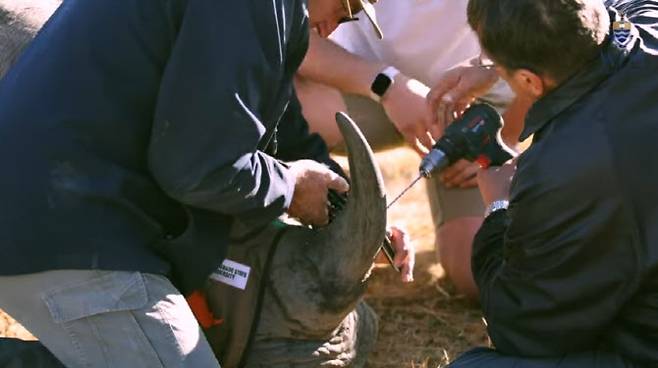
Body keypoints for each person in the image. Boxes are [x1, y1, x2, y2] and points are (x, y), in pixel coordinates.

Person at [0, 0, 413, 367]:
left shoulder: (267, 15)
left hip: (67, 207)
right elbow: (197, 168)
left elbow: (281, 130)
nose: (337, 26)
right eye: (345, 8)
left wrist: (355, 212)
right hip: (70, 225)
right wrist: (289, 187)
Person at [448, 0, 658, 366]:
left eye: (494, 63)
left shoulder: (562, 169)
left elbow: (523, 327)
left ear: (529, 80)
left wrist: (498, 206)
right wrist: (496, 69)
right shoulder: (646, 21)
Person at [295, 0, 527, 298]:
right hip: (366, 84)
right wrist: (387, 84)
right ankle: (338, 203)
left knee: (479, 274)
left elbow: (556, 41)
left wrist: (505, 137)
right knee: (282, 103)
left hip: (476, 105)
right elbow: (285, 34)